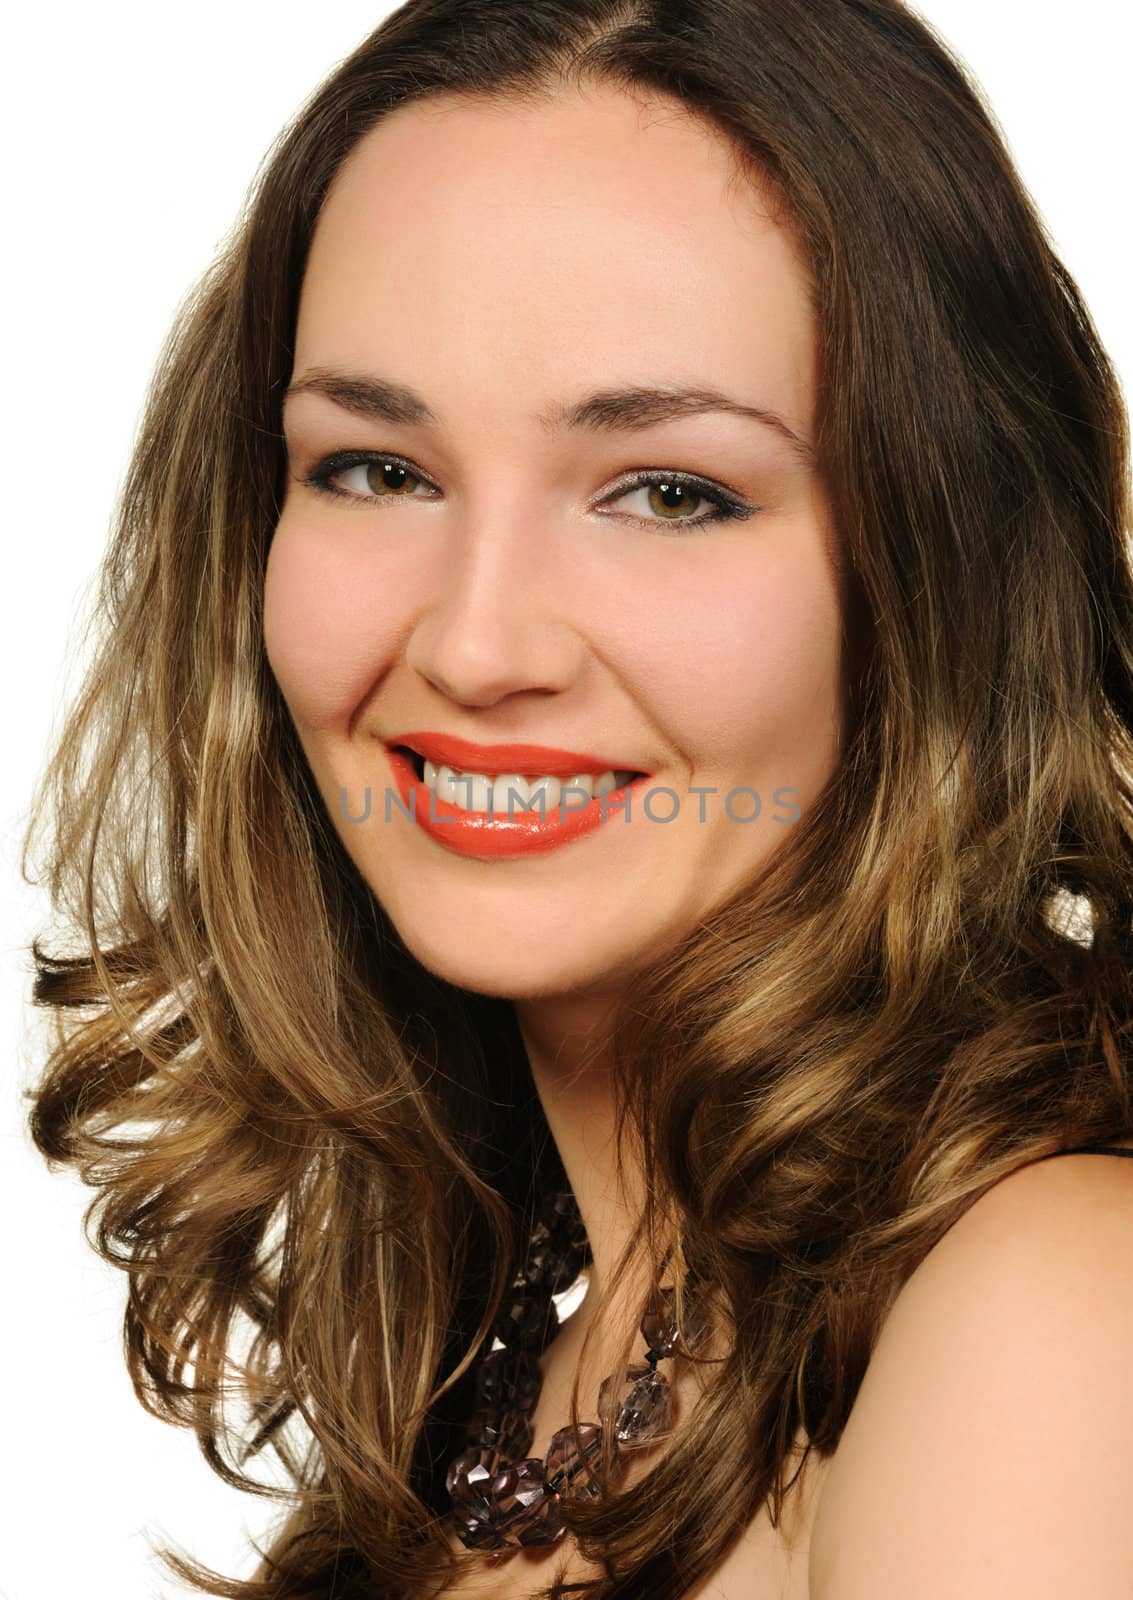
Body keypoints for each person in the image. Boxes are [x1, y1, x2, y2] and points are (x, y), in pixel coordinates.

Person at [19, 0, 1133, 1596]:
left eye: (670, 492)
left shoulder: (1049, 1311)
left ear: (939, 571)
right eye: (376, 470)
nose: (472, 646)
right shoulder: (509, 1412)